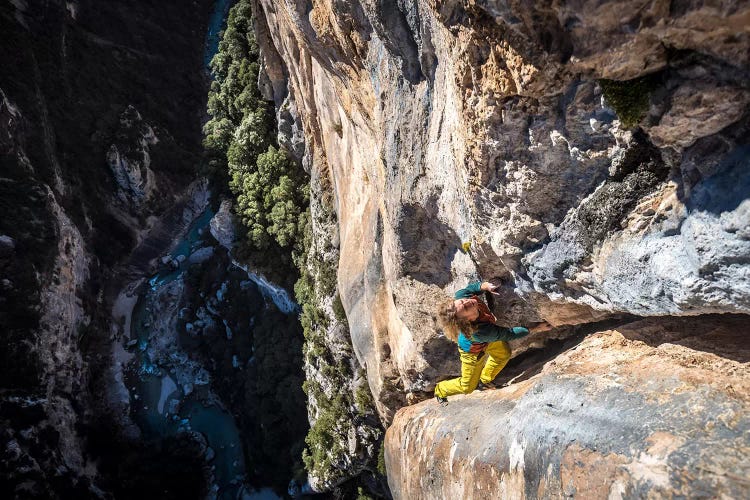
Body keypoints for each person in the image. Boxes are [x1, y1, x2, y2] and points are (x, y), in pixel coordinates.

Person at [434, 280, 550, 405]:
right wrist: (536, 328)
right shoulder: (479, 331)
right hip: (472, 352)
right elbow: (508, 333)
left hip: (488, 339)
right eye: (466, 307)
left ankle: (484, 381)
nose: (468, 301)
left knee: (503, 354)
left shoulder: (462, 297)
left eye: (463, 301)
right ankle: (440, 390)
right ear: (466, 320)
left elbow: (469, 289)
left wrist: (485, 286)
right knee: (467, 387)